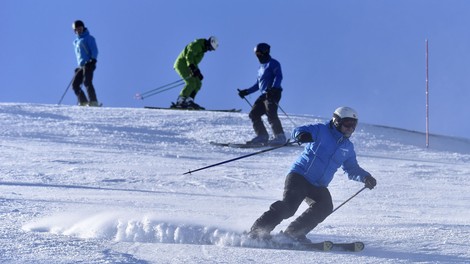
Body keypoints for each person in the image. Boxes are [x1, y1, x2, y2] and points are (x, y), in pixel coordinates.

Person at [248, 106, 377, 242]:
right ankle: (258, 231)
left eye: (353, 125)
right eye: (347, 124)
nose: (350, 128)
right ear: (337, 121)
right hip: (300, 176)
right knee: (289, 207)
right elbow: (298, 131)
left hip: (318, 185)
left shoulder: (347, 147)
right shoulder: (321, 130)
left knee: (325, 206)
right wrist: (301, 135)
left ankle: (294, 233)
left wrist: (366, 177)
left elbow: (352, 168)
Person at [238, 43, 286, 146]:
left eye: (259, 54)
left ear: (265, 52)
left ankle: (280, 136)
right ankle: (262, 136)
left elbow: (279, 77)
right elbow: (258, 85)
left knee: (271, 113)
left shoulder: (273, 63)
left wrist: (273, 88)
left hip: (274, 92)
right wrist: (246, 92)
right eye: (256, 54)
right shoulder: (260, 68)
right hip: (264, 94)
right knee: (253, 114)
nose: (258, 56)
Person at [172, 36, 218, 110]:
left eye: (211, 49)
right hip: (182, 64)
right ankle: (180, 101)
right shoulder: (197, 45)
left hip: (189, 65)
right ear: (208, 43)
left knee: (198, 83)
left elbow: (195, 62)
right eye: (210, 48)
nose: (209, 50)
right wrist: (192, 67)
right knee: (191, 82)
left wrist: (198, 72)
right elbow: (189, 56)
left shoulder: (202, 51)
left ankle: (189, 100)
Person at [71, 20, 100, 107]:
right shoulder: (75, 42)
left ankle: (93, 101)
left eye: (80, 28)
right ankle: (83, 101)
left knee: (87, 81)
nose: (79, 30)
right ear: (75, 31)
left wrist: (93, 60)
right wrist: (79, 65)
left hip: (89, 63)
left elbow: (94, 50)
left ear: (83, 28)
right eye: (77, 29)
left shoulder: (89, 38)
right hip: (81, 65)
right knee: (75, 84)